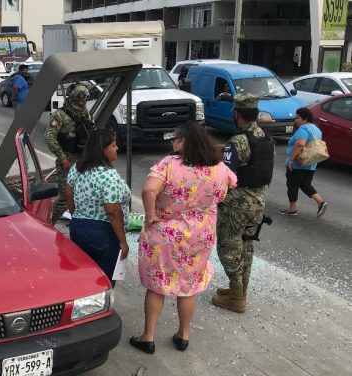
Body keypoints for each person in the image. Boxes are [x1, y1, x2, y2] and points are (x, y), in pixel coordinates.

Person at [130, 121, 236, 354]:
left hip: (166, 234)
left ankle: (147, 337)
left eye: (175, 138)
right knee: (188, 287)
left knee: (158, 286)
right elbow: (230, 186)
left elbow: (149, 190)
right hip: (200, 236)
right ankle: (183, 335)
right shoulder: (219, 167)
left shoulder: (169, 164)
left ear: (184, 141)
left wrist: (150, 216)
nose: (172, 142)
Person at [212, 94, 275, 313]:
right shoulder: (266, 137)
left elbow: (226, 175)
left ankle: (236, 297)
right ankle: (239, 290)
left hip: (237, 204)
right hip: (258, 201)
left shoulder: (238, 141)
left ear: (236, 114)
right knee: (247, 244)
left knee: (228, 246)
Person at [65, 129, 130, 287]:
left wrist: (77, 217)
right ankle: (100, 309)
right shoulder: (109, 176)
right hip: (103, 233)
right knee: (103, 281)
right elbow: (113, 212)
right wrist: (122, 241)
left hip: (78, 227)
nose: (117, 149)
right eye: (113, 145)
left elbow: (68, 195)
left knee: (84, 275)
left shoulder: (77, 169)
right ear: (103, 149)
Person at [44, 84, 93, 224]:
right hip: (67, 160)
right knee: (65, 197)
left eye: (84, 101)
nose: (82, 104)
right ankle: (48, 224)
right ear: (72, 99)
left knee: (82, 194)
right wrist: (62, 157)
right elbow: (49, 137)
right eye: (79, 101)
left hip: (82, 160)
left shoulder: (85, 113)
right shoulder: (60, 115)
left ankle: (77, 222)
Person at [279, 107, 328, 217]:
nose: (296, 120)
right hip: (311, 164)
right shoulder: (316, 129)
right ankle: (321, 202)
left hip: (298, 164)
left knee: (292, 186)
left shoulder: (303, 129)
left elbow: (300, 144)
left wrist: (291, 159)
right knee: (305, 184)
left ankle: (292, 209)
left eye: (298, 118)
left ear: (304, 119)